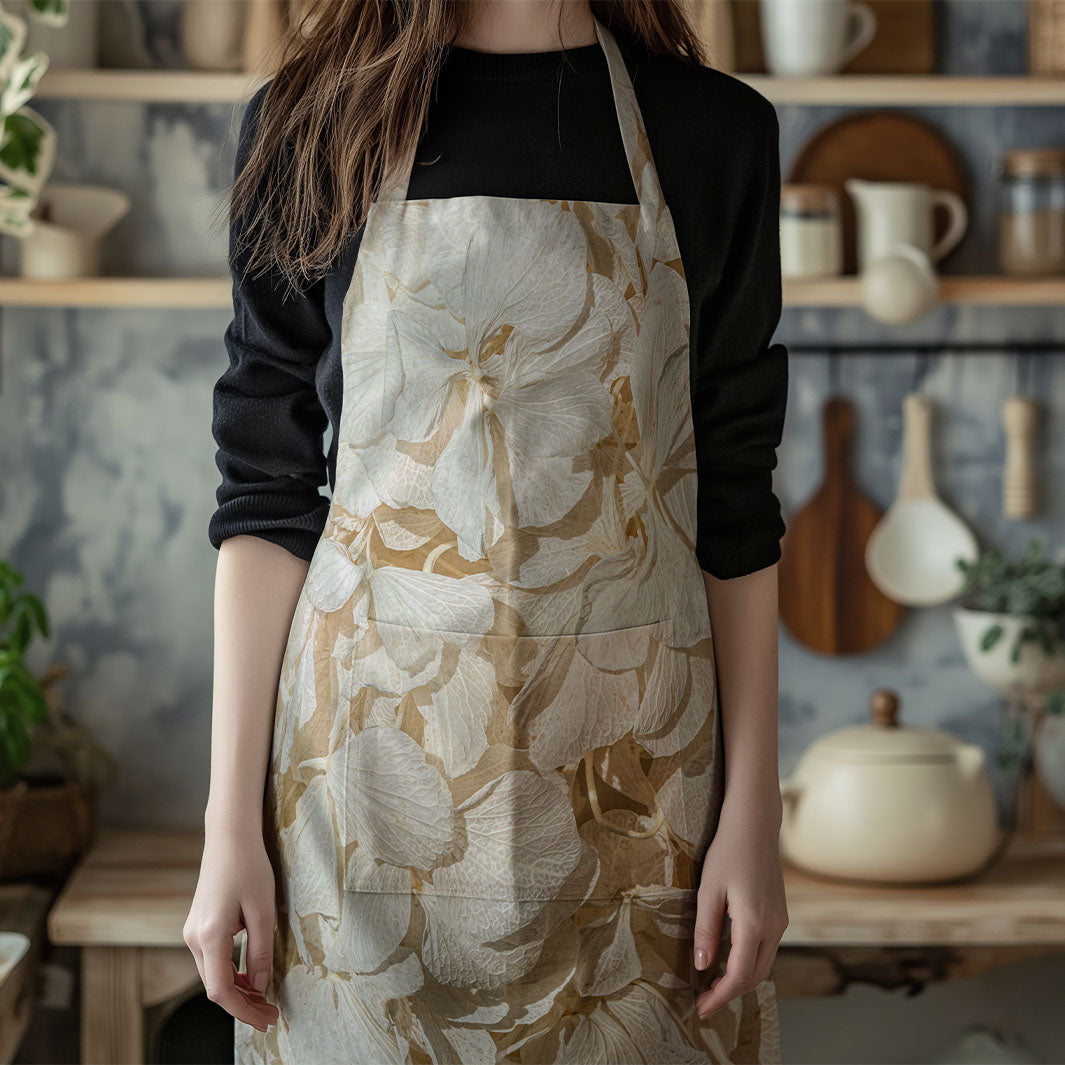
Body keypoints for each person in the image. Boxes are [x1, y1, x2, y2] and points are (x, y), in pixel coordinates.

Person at [184, 0, 790, 1062]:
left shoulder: (713, 131)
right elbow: (267, 496)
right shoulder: (312, 121)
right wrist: (228, 824)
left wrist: (757, 811)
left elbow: (733, 503)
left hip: (642, 788)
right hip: (364, 791)